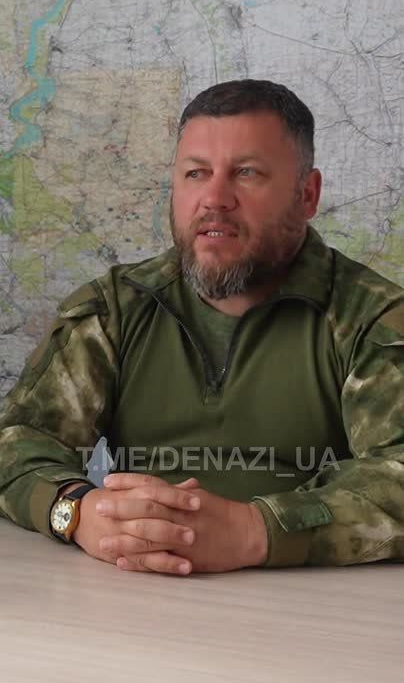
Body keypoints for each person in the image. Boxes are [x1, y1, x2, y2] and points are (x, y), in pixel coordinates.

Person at [1, 79, 404, 575]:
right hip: (129, 588)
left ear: (307, 194)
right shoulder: (114, 309)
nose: (214, 198)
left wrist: (257, 530)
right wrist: (79, 511)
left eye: (247, 173)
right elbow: (17, 440)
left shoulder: (371, 319)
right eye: (196, 173)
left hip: (311, 603)